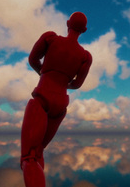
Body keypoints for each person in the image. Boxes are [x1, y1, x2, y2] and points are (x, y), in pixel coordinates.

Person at [20, 12, 92, 187]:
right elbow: (77, 84)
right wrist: (62, 82)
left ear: (67, 23)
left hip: (42, 97)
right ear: (84, 30)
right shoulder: (85, 57)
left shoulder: (50, 39)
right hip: (60, 104)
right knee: (38, 151)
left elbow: (32, 59)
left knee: (28, 156)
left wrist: (44, 73)